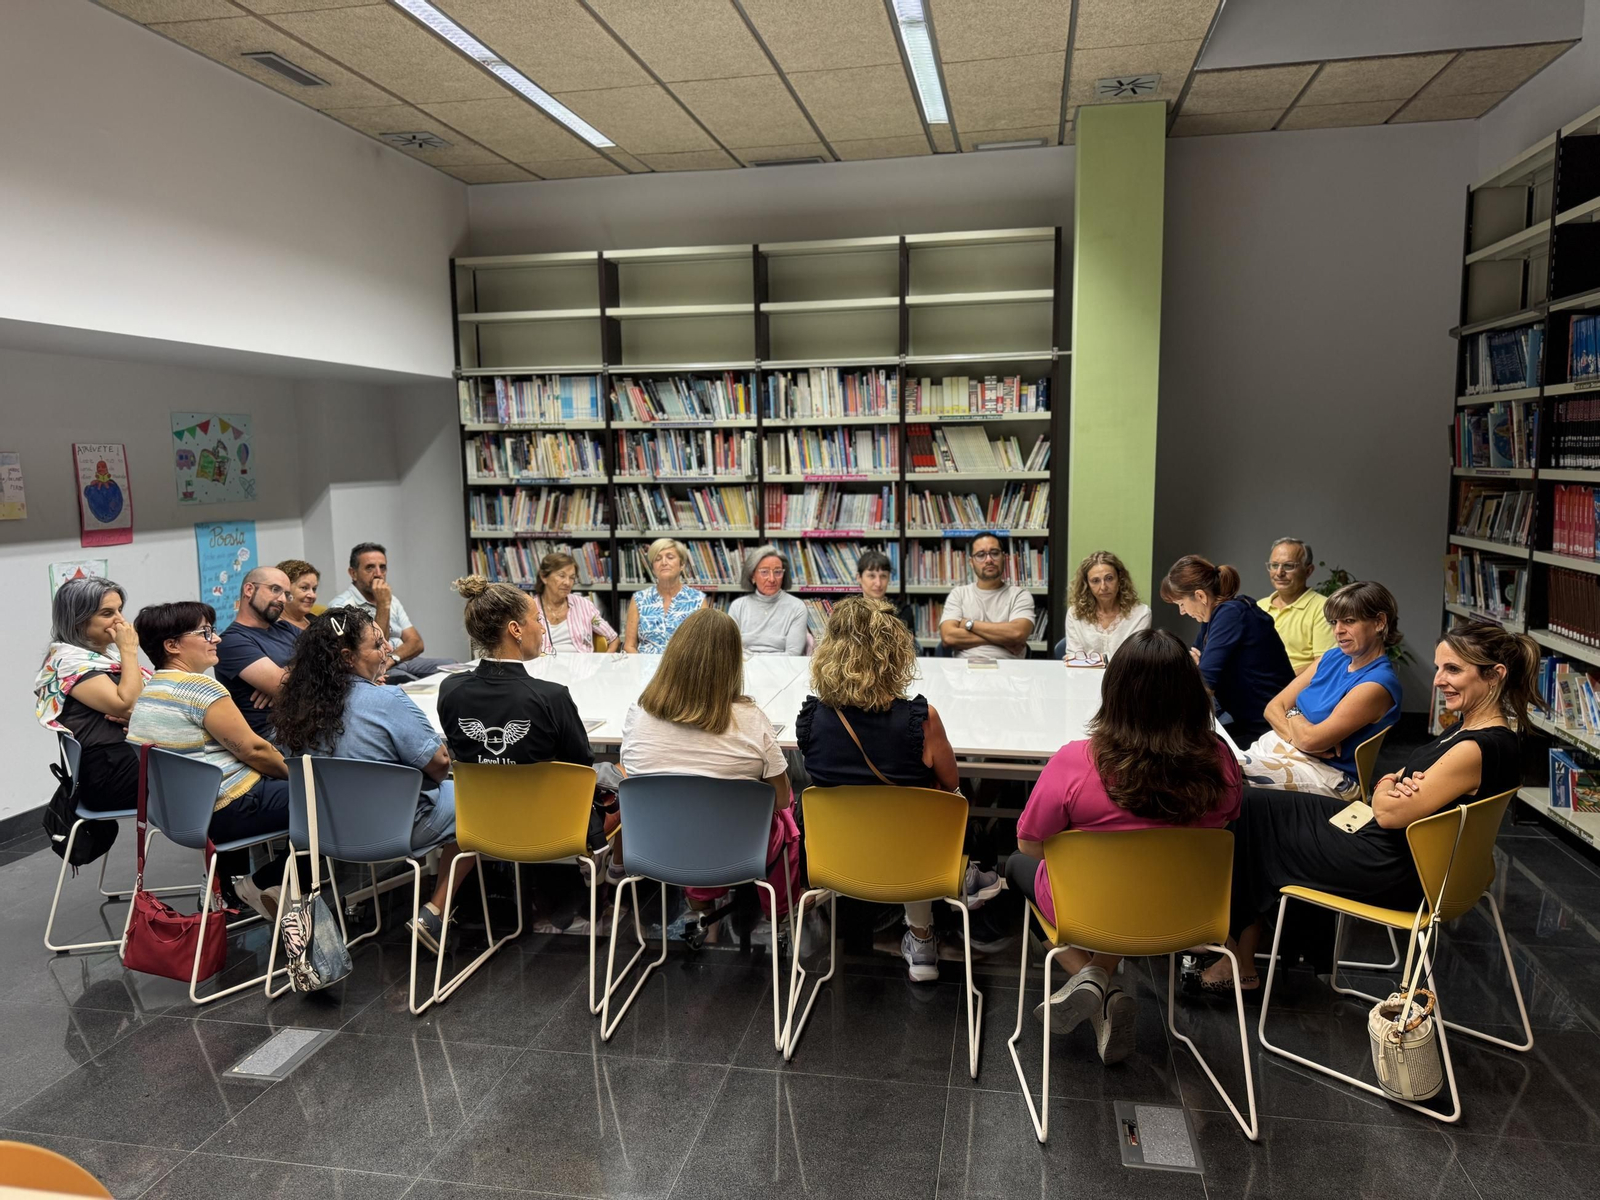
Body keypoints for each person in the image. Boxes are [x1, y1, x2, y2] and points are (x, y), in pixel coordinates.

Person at [1200, 621, 1533, 993]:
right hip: (1398, 846)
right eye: (1440, 668)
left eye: (1453, 669)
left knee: (1253, 820)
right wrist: (1391, 784)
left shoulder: (1476, 748)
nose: (1438, 681)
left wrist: (1387, 786)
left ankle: (1235, 954)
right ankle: (1242, 941)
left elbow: (1390, 810)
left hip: (1398, 867)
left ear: (1495, 675)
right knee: (1254, 805)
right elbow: (1396, 779)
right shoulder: (1472, 731)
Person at [1007, 629, 1242, 1063]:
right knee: (1143, 880)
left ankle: (1096, 981)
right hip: (1185, 911)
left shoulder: (1077, 760)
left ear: (1114, 691)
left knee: (1016, 868)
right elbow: (1225, 823)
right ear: (1192, 693)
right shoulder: (1221, 760)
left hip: (1092, 910)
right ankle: (1104, 986)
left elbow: (1031, 845)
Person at [796, 596, 1002, 982]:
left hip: (837, 860)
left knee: (897, 810)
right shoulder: (921, 720)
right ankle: (926, 932)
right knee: (929, 805)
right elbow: (955, 782)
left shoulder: (812, 718)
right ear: (894, 655)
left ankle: (925, 922)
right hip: (914, 857)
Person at [273, 607, 473, 953]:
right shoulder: (386, 699)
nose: (386, 652)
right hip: (394, 830)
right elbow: (439, 766)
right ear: (348, 657)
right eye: (377, 645)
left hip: (321, 832)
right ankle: (435, 910)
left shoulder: (293, 707)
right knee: (477, 801)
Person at [619, 608, 795, 919]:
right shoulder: (751, 720)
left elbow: (632, 772)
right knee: (785, 813)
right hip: (739, 851)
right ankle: (781, 912)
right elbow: (780, 798)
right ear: (732, 663)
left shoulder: (639, 714)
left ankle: (699, 900)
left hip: (658, 847)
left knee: (683, 803)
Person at [127, 602, 293, 922]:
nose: (216, 639)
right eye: (205, 633)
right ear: (172, 645)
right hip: (229, 810)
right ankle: (259, 883)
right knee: (328, 802)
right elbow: (254, 751)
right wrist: (299, 777)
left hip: (184, 814)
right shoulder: (199, 688)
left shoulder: (151, 690)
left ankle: (225, 887)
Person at [1237, 582, 1404, 799]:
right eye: (1334, 622)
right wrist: (1296, 737)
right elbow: (1272, 708)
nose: (1338, 631)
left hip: (1326, 775)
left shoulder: (1377, 684)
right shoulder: (1332, 657)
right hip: (1287, 751)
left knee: (1223, 777)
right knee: (1211, 764)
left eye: (1349, 621)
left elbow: (1309, 740)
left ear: (1380, 622)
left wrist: (1293, 713)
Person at [34, 577, 149, 816]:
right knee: (212, 778)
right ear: (78, 621)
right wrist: (129, 649)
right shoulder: (68, 663)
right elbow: (130, 704)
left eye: (120, 610)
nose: (121, 621)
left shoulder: (100, 656)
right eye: (107, 613)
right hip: (109, 774)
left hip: (125, 758)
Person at [1160, 554, 1294, 748]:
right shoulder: (1212, 617)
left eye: (1181, 604)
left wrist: (1196, 670)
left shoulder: (1231, 614)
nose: (1182, 612)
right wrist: (1194, 669)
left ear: (1200, 596)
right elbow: (1191, 666)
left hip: (1267, 730)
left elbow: (1204, 682)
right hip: (1247, 721)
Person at [325, 542, 456, 683]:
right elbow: (378, 644)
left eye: (383, 567)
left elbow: (416, 642)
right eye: (370, 568)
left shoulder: (391, 599)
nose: (378, 574)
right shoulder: (341, 606)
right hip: (376, 668)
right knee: (410, 683)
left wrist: (393, 658)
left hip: (400, 660)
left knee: (454, 668)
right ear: (353, 573)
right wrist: (383, 604)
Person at [214, 567, 300, 737]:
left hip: (304, 721)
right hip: (275, 736)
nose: (282, 599)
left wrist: (286, 672)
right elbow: (286, 689)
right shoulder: (231, 642)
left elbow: (332, 655)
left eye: (286, 594)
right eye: (275, 590)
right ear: (249, 590)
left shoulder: (286, 628)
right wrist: (285, 684)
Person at [938, 534, 1036, 660]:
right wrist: (1004, 640)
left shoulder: (1020, 595)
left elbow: (1017, 634)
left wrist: (968, 624)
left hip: (1008, 671)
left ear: (1004, 557)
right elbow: (948, 637)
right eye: (980, 555)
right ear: (971, 562)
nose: (989, 559)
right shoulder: (958, 594)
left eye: (994, 553)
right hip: (964, 672)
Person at [1259, 538, 1336, 672]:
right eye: (1274, 565)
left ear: (1308, 571)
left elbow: (1324, 665)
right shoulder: (1259, 607)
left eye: (1288, 566)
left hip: (1299, 689)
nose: (1279, 573)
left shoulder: (1323, 608)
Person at [1061, 551, 1151, 662]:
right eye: (1095, 581)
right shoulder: (1075, 613)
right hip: (1084, 677)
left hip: (1124, 678)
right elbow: (1074, 658)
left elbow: (1135, 659)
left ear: (1120, 579)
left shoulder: (1141, 613)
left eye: (1109, 578)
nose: (1103, 587)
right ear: (1087, 585)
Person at [623, 537, 708, 654]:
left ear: (682, 564)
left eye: (670, 557)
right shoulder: (639, 599)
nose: (664, 562)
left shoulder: (698, 600)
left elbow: (705, 646)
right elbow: (629, 646)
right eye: (657, 559)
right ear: (653, 569)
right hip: (646, 669)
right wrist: (640, 670)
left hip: (684, 669)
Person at [529, 551, 617, 654]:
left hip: (581, 667)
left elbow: (613, 639)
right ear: (544, 577)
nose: (567, 583)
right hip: (543, 667)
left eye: (572, 578)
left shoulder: (584, 606)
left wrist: (603, 662)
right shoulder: (530, 608)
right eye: (562, 576)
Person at [729, 545, 808, 655]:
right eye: (764, 572)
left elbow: (792, 654)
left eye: (777, 572)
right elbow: (731, 651)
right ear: (752, 576)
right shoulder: (738, 606)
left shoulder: (797, 607)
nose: (772, 579)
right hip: (745, 669)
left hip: (782, 670)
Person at [857, 549, 914, 633]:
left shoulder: (902, 611)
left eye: (883, 576)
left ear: (889, 578)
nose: (878, 583)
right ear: (859, 578)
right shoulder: (849, 611)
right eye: (872, 576)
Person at [276, 559, 320, 631]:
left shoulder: (316, 622)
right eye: (304, 588)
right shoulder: (272, 628)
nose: (312, 595)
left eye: (314, 589)